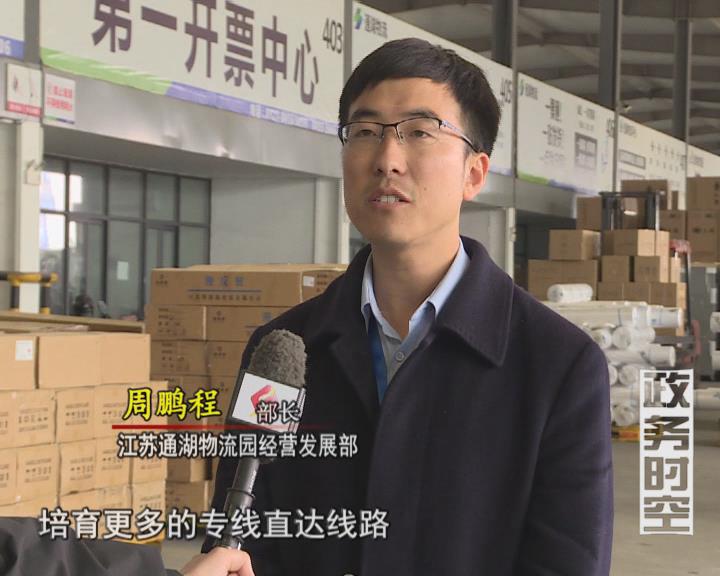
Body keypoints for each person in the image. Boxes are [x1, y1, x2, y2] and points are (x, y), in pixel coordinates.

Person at [201, 37, 613, 576]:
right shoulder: (281, 352)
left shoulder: (560, 366)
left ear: (474, 173)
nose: (387, 160)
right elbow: (239, 534)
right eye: (365, 132)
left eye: (420, 132)